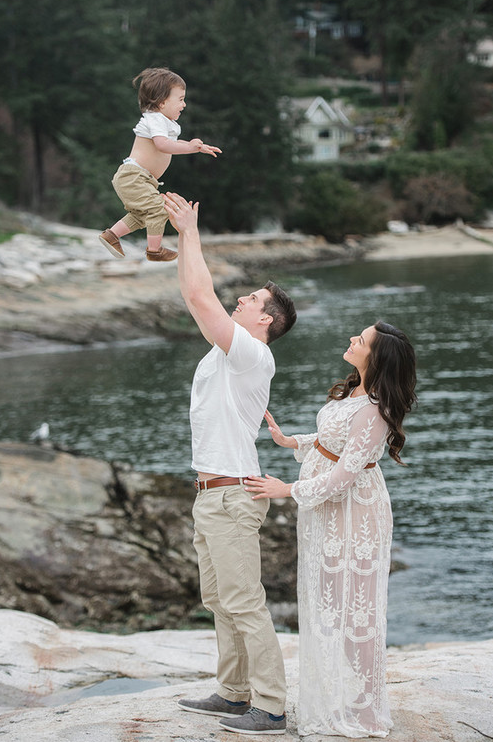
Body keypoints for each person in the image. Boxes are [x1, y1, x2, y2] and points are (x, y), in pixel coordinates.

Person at [163, 191, 297, 737]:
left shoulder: (251, 352)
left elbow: (198, 295)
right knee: (219, 598)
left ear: (265, 319)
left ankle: (270, 707)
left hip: (233, 494)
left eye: (251, 297)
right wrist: (183, 240)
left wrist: (189, 233)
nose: (240, 297)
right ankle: (232, 692)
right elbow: (195, 297)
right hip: (212, 492)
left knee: (244, 602)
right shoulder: (229, 351)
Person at [245, 321, 417, 738]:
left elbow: (345, 475)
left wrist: (287, 489)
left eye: (362, 340)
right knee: (327, 602)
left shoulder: (376, 408)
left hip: (354, 513)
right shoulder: (355, 391)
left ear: (377, 357)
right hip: (326, 512)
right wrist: (292, 442)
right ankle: (336, 694)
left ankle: (360, 707)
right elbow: (332, 439)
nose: (352, 339)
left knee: (356, 609)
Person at [99, 67, 221, 262]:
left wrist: (195, 147)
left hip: (140, 179)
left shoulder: (164, 122)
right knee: (159, 209)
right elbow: (163, 145)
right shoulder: (155, 118)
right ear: (162, 102)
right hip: (134, 177)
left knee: (142, 216)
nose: (184, 104)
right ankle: (154, 250)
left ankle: (111, 235)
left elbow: (173, 144)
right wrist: (189, 147)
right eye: (180, 99)